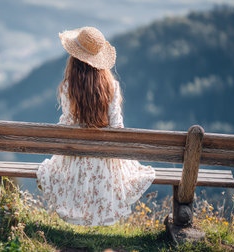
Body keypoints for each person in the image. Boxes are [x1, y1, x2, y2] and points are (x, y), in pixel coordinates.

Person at [36, 27, 156, 226]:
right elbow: (117, 126)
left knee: (54, 167)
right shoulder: (112, 86)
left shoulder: (68, 86)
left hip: (76, 154)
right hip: (104, 157)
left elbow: (66, 124)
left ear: (74, 58)